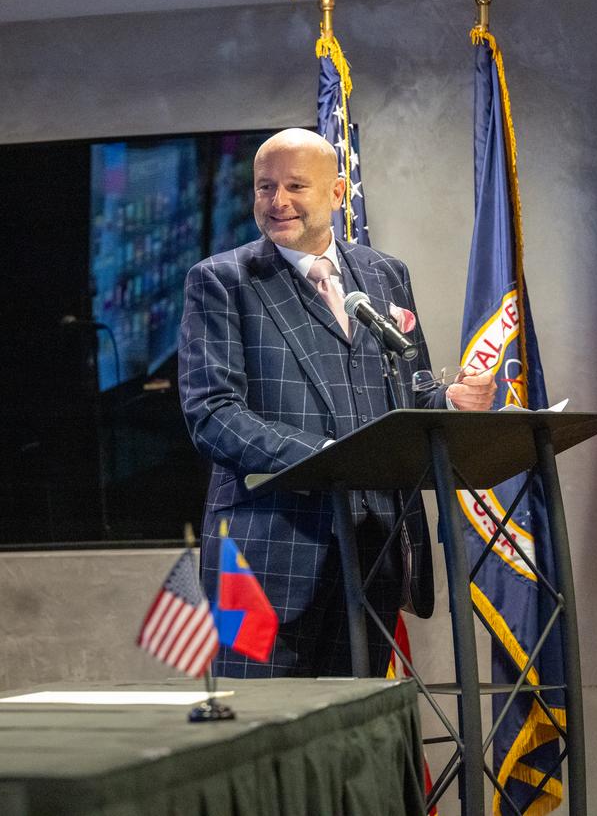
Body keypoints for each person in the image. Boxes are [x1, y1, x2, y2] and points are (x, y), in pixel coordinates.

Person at [178, 128, 496, 677]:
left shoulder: (384, 274)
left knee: (352, 736)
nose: (277, 201)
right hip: (260, 558)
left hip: (372, 550)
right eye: (264, 187)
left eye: (295, 185)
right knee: (259, 741)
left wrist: (451, 397)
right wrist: (328, 457)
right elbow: (212, 414)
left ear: (338, 193)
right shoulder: (222, 281)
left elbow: (407, 387)